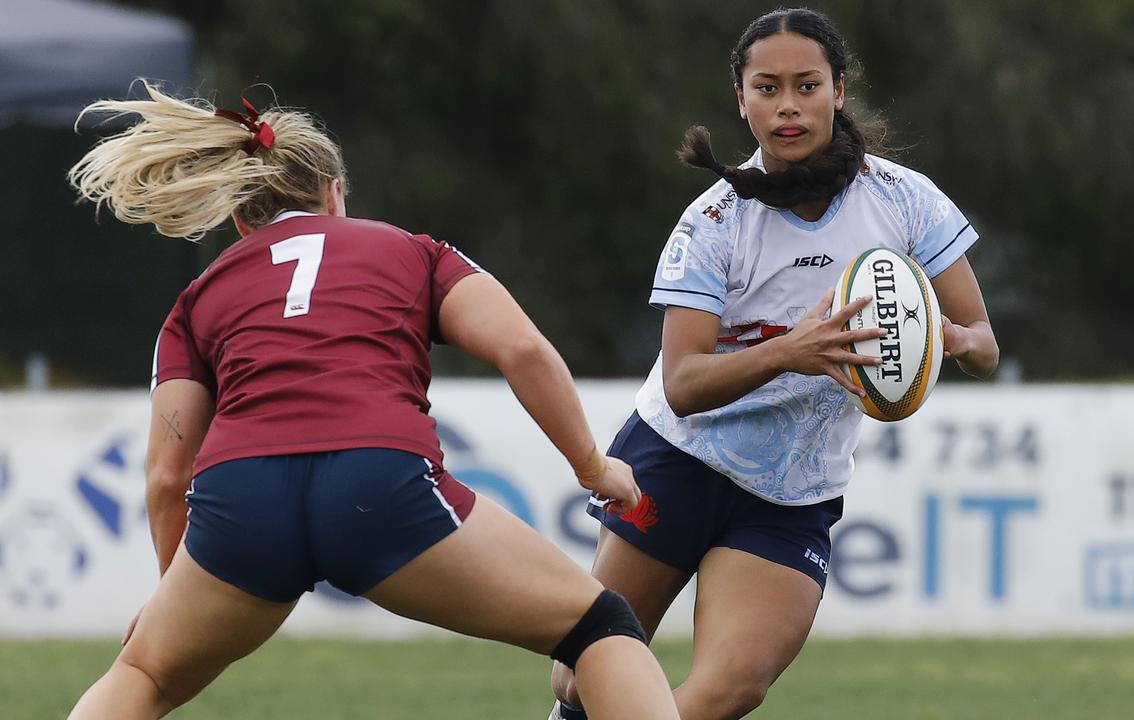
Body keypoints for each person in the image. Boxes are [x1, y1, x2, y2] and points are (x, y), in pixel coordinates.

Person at [63, 82, 680, 720]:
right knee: (600, 630)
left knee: (143, 674)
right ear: (335, 194)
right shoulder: (413, 252)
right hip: (377, 483)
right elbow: (522, 351)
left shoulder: (197, 297)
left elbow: (168, 475)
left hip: (242, 499)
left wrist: (176, 597)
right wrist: (591, 466)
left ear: (242, 220)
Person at [549, 7, 999, 720]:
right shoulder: (713, 223)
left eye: (806, 85)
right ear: (741, 99)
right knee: (581, 676)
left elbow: (985, 340)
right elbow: (684, 384)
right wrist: (795, 350)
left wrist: (947, 338)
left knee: (734, 687)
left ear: (839, 90)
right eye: (767, 88)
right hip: (677, 458)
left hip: (792, 490)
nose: (787, 105)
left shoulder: (905, 200)